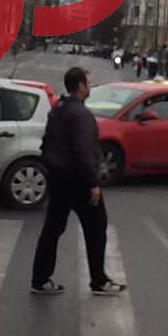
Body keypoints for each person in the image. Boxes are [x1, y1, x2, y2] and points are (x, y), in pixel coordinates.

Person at [31, 67, 126, 296]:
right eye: (89, 82)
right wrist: (92, 183)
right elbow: (82, 151)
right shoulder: (81, 114)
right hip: (78, 180)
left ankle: (40, 279)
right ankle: (99, 280)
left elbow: (49, 141)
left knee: (53, 228)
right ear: (81, 85)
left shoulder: (59, 107)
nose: (90, 86)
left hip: (58, 177)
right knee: (96, 227)